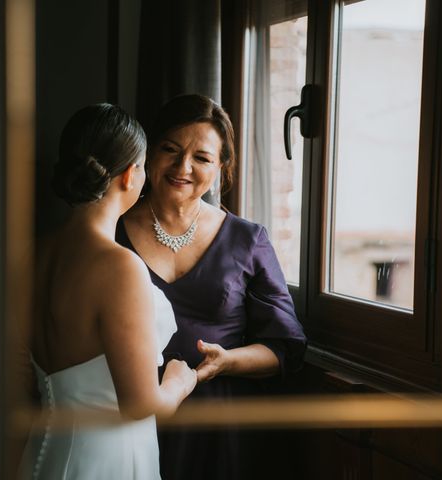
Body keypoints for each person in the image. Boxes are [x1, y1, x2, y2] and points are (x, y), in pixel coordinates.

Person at [116, 94, 307, 480]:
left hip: (221, 428)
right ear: (148, 153)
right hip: (129, 419)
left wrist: (225, 362)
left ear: (221, 167)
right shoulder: (112, 231)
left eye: (201, 158)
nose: (182, 167)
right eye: (170, 149)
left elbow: (285, 347)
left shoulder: (248, 239)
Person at [21, 103, 198, 480]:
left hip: (42, 452)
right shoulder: (119, 267)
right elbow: (140, 405)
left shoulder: (31, 254)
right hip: (106, 460)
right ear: (131, 175)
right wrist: (181, 382)